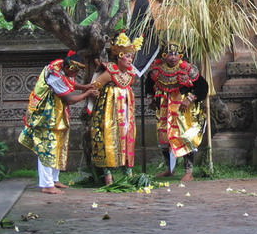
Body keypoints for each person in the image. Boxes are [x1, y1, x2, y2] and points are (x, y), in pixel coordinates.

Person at [18, 51, 98, 194]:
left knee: (58, 144)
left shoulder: (60, 67)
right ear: (68, 68)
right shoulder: (55, 76)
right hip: (44, 117)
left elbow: (70, 82)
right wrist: (87, 93)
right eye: (75, 72)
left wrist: (84, 87)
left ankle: (54, 179)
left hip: (55, 115)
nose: (76, 75)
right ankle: (46, 184)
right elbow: (69, 99)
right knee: (47, 147)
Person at [148, 43, 208, 181]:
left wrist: (190, 98)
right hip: (164, 107)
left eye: (175, 54)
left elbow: (203, 87)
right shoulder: (157, 71)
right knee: (163, 137)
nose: (173, 57)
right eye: (169, 54)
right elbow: (149, 86)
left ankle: (189, 171)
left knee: (185, 136)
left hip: (183, 109)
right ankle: (170, 169)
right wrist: (151, 98)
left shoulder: (188, 69)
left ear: (180, 55)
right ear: (164, 56)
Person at [90, 32, 142, 185]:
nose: (130, 59)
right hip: (109, 111)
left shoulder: (131, 74)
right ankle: (108, 176)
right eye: (127, 56)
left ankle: (128, 173)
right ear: (119, 56)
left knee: (127, 136)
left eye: (131, 57)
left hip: (126, 111)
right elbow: (94, 87)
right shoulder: (109, 72)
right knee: (109, 137)